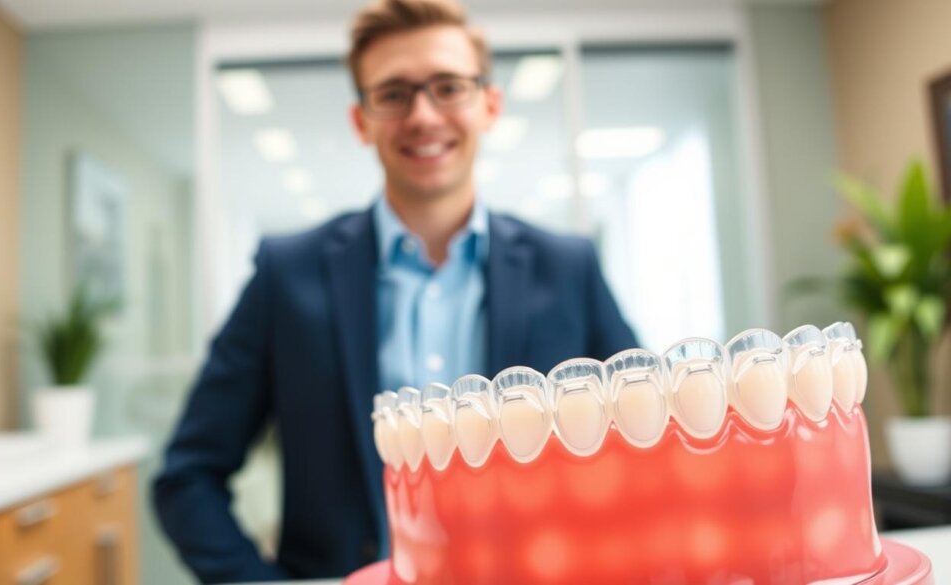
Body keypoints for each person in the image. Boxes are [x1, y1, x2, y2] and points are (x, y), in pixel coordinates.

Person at [153, 0, 637, 582]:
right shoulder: (288, 273)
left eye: (448, 87)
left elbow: (647, 450)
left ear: (490, 105)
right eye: (393, 94)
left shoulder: (568, 268)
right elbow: (188, 476)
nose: (423, 115)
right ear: (362, 120)